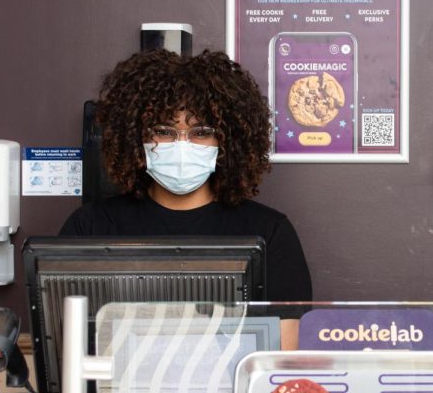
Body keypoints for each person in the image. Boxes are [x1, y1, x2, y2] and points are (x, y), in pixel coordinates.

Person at [60, 49, 313, 310]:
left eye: (201, 132)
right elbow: (63, 335)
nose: (182, 144)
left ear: (227, 141)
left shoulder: (268, 232)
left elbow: (286, 343)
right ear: (136, 137)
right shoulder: (90, 227)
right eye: (163, 131)